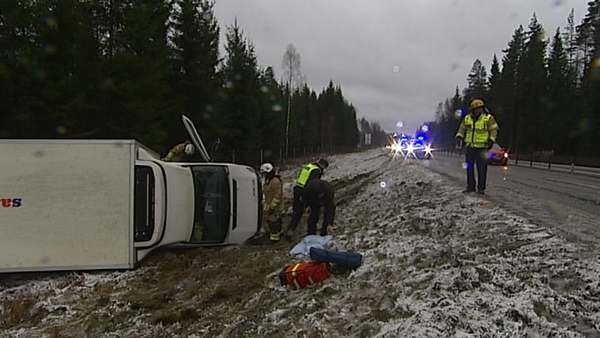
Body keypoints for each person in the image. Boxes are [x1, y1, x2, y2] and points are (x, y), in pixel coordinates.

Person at [455, 99, 499, 195]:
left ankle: (481, 188)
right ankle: (470, 187)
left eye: (480, 108)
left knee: (482, 169)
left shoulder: (488, 118)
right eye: (476, 109)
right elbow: (462, 129)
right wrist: (459, 137)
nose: (479, 110)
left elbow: (494, 129)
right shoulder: (467, 118)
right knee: (469, 168)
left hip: (482, 148)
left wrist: (491, 140)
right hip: (470, 147)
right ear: (473, 110)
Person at [284, 158, 329, 241]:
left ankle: (289, 232)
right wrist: (308, 201)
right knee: (313, 212)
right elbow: (312, 184)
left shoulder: (309, 166)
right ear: (323, 165)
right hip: (304, 191)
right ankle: (311, 233)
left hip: (297, 189)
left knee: (297, 214)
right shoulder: (316, 170)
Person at [260, 163, 283, 242]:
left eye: (264, 173)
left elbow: (277, 195)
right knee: (275, 220)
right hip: (270, 204)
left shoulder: (275, 181)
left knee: (273, 222)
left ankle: (274, 238)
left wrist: (272, 207)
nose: (263, 175)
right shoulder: (269, 180)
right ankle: (279, 232)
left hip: (276, 206)